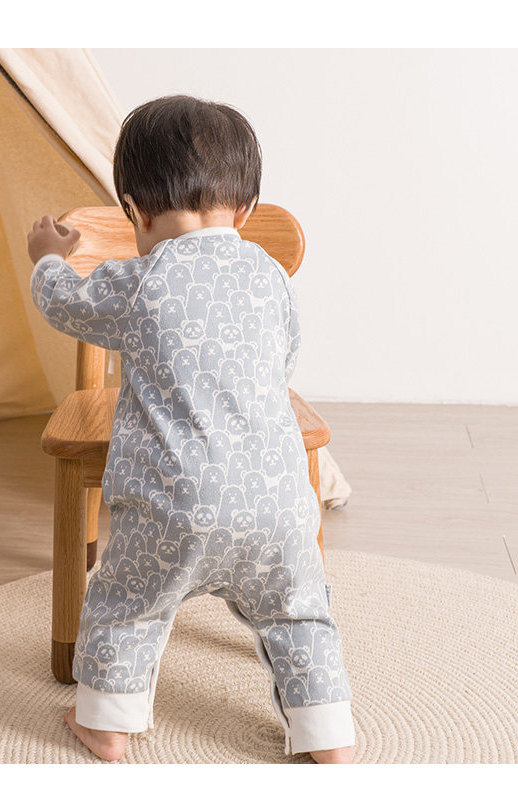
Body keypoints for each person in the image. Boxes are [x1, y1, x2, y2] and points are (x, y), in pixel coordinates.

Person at [27, 95, 355, 764]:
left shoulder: (142, 278)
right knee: (300, 613)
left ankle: (106, 723)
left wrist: (47, 259)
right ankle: (329, 736)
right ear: (246, 210)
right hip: (280, 506)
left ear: (134, 210)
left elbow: (66, 304)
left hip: (173, 506)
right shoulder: (271, 277)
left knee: (127, 604)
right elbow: (283, 363)